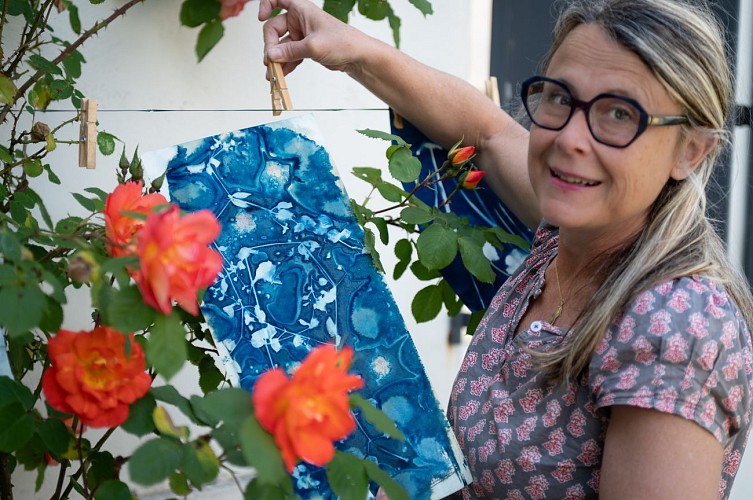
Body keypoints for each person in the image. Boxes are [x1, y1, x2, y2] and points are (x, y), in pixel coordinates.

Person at [258, 0, 753, 497]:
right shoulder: (568, 236)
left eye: (620, 114)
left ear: (690, 150)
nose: (570, 139)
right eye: (559, 98)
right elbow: (488, 131)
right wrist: (352, 49)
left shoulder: (676, 324)